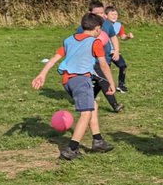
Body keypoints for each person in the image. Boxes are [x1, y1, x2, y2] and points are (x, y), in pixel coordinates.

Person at [33, 12, 116, 160]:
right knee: (86, 113)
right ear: (97, 29)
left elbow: (54, 59)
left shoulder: (69, 40)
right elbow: (103, 64)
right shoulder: (95, 42)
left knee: (93, 106)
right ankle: (71, 149)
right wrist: (111, 82)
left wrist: (42, 74)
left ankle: (98, 140)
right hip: (81, 80)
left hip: (67, 81)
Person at [84, 1, 124, 112]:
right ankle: (115, 105)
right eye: (97, 13)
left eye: (102, 12)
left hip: (106, 58)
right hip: (94, 61)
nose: (100, 15)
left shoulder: (106, 24)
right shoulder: (85, 27)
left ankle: (88, 98)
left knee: (99, 82)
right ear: (90, 13)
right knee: (104, 80)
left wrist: (116, 50)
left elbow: (113, 37)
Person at [103, 5, 131, 92]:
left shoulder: (119, 25)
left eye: (116, 14)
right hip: (103, 51)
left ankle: (121, 85)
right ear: (106, 16)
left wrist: (127, 36)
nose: (115, 16)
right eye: (112, 14)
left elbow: (122, 36)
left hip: (114, 51)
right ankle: (102, 85)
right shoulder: (102, 25)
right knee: (105, 69)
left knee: (123, 65)